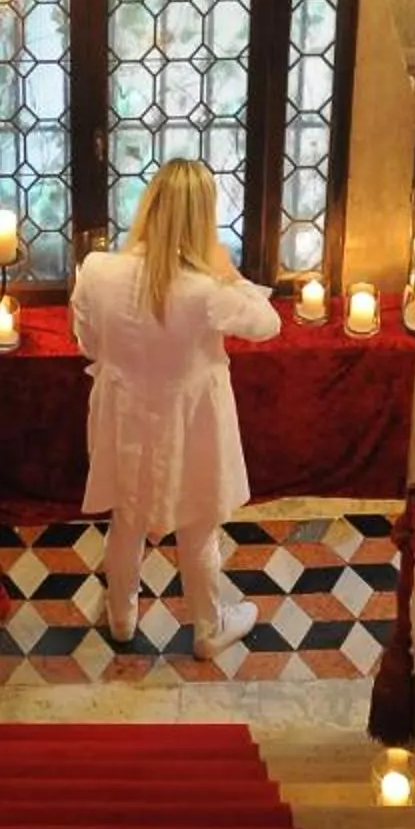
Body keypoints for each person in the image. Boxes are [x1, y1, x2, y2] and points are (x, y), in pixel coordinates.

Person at [69, 158, 281, 658]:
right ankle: (208, 629)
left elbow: (86, 342)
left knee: (126, 519)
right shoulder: (208, 291)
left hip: (122, 417)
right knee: (199, 524)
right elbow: (268, 323)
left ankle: (121, 617)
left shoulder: (98, 271)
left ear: (151, 204)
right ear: (201, 220)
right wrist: (229, 274)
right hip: (192, 426)